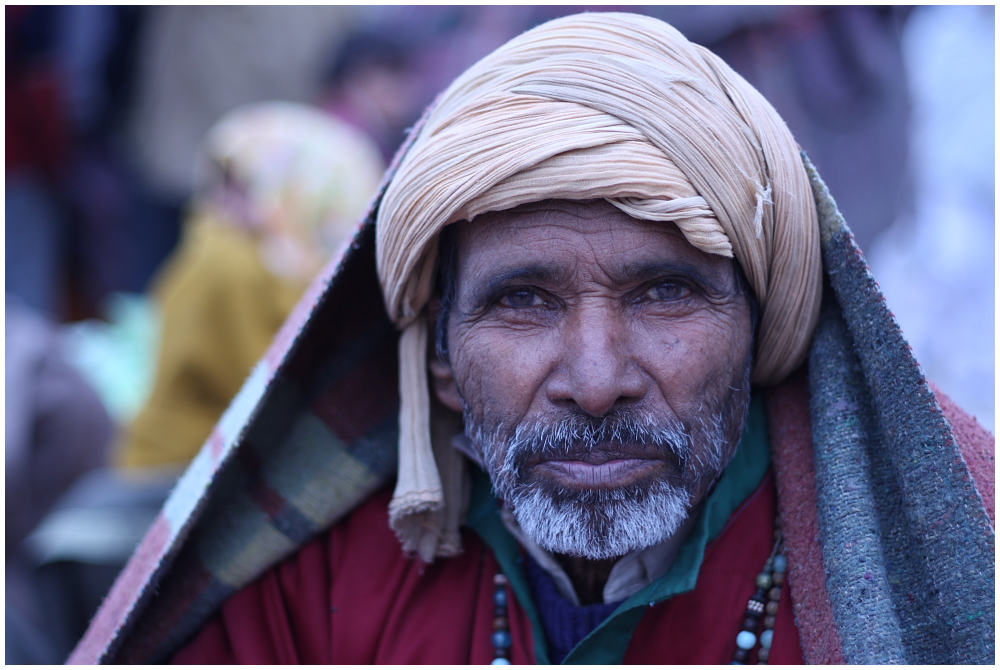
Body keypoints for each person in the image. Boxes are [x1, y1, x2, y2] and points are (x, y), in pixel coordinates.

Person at [71, 13, 993, 665]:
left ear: (764, 332)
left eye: (666, 293)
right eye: (524, 302)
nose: (596, 381)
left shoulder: (925, 567)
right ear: (437, 360)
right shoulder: (311, 583)